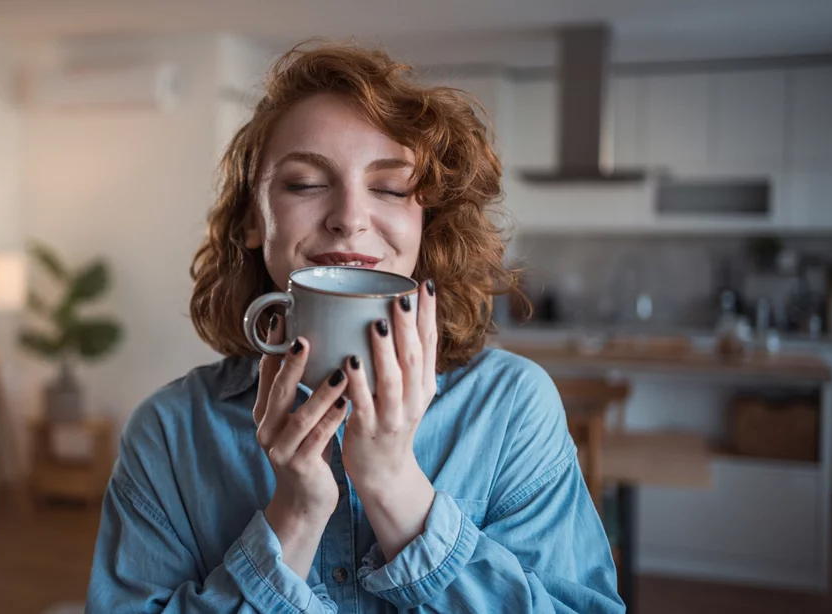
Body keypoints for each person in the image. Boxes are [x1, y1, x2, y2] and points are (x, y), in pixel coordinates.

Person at [85, 40, 623, 614]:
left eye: (390, 188)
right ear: (251, 220)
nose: (348, 217)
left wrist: (396, 487)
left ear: (426, 224)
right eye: (304, 183)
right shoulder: (168, 433)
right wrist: (291, 520)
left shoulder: (513, 406)